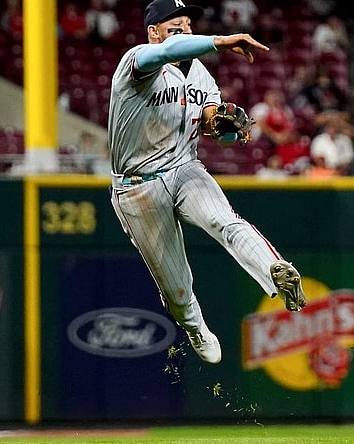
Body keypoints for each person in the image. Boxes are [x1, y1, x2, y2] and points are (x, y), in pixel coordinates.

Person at [107, 0, 307, 365]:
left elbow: (213, 122)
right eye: (174, 25)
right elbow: (169, 51)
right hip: (137, 188)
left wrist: (227, 129)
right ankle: (195, 324)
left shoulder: (199, 73)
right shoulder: (137, 62)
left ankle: (275, 270)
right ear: (153, 32)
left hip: (184, 169)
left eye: (187, 23)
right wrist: (220, 41)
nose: (184, 30)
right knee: (177, 286)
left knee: (225, 221)